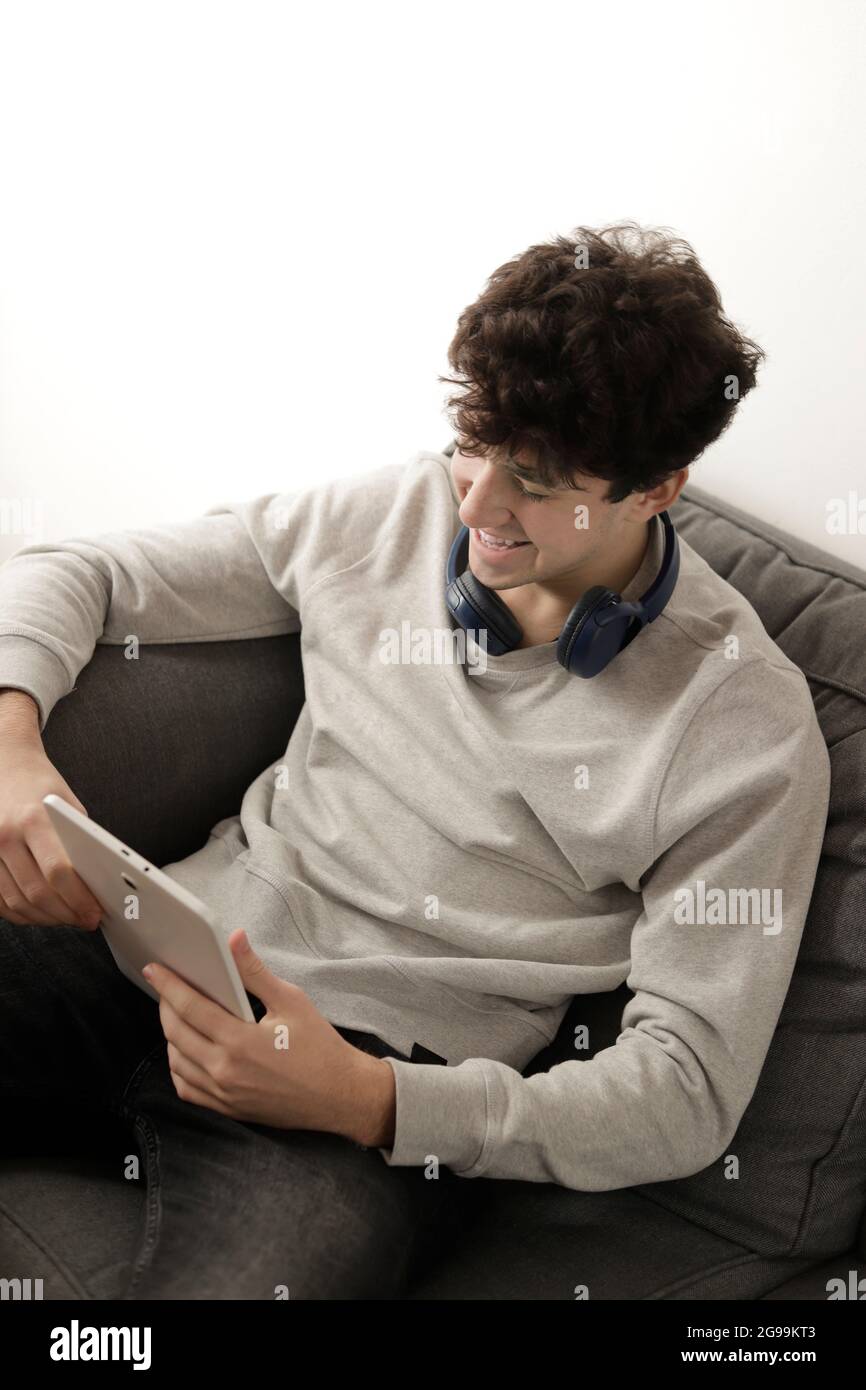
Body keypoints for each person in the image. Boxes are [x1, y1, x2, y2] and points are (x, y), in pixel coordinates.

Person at [0, 222, 831, 1299]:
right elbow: (81, 573)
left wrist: (370, 1102)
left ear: (657, 488)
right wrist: (15, 745)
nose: (476, 506)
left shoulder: (741, 728)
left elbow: (682, 1092)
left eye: (534, 481)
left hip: (363, 1085)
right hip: (158, 958)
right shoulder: (395, 512)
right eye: (470, 443)